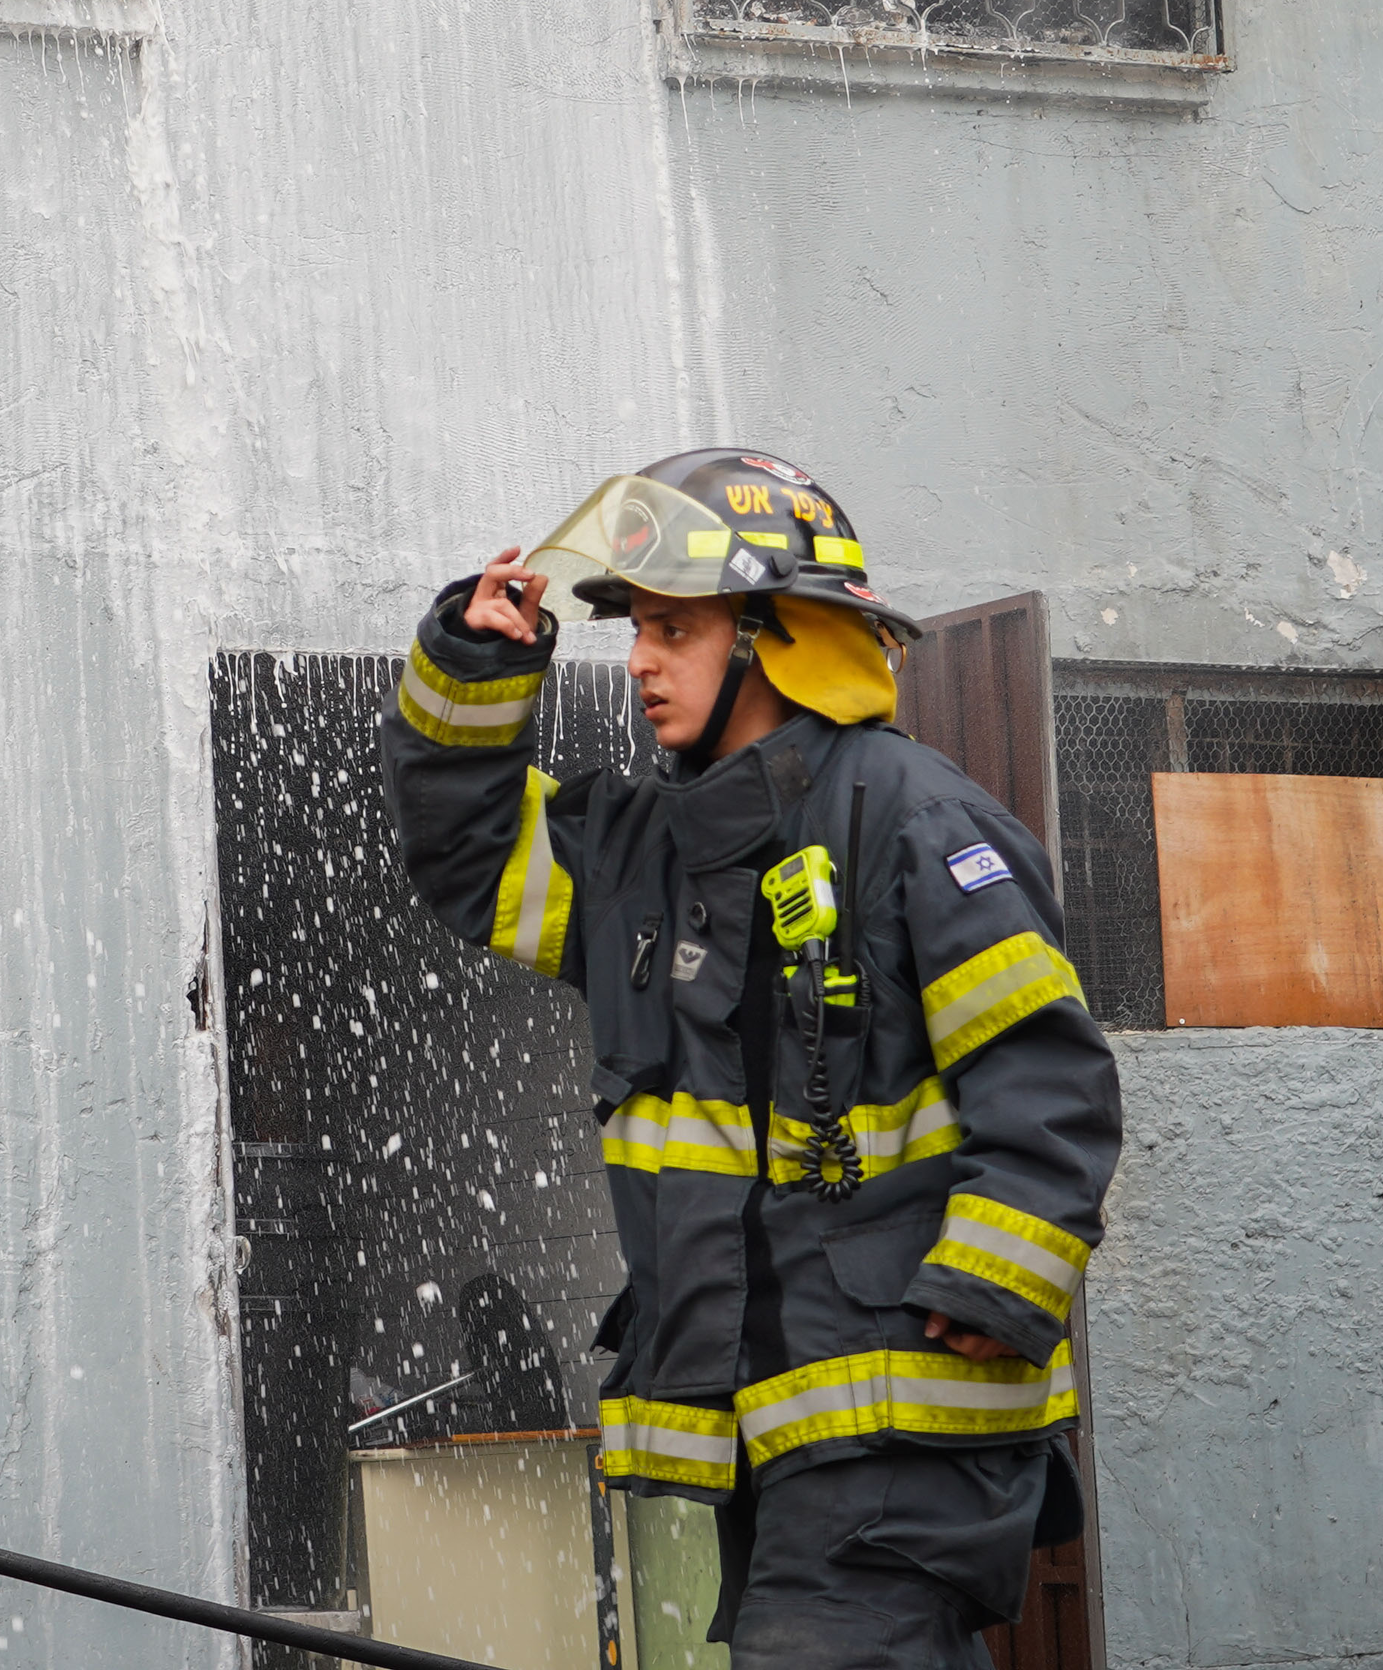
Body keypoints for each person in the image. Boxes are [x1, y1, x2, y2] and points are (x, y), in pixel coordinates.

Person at [386, 449, 1121, 1666]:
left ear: (778, 638)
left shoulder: (913, 819)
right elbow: (468, 858)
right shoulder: (649, 858)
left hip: (905, 1419)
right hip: (782, 1427)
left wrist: (993, 1289)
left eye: (674, 629)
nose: (638, 663)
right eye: (635, 630)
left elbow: (1049, 1082)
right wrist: (478, 664)